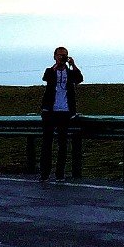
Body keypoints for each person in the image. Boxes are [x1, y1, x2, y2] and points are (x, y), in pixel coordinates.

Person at [38, 46, 83, 184]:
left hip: (65, 112)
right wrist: (56, 66)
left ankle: (60, 173)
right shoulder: (50, 71)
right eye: (59, 55)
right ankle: (44, 174)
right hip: (50, 111)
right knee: (47, 143)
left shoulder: (70, 73)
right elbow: (46, 78)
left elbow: (79, 79)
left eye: (64, 55)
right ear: (54, 56)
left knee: (62, 144)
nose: (61, 57)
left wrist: (73, 65)